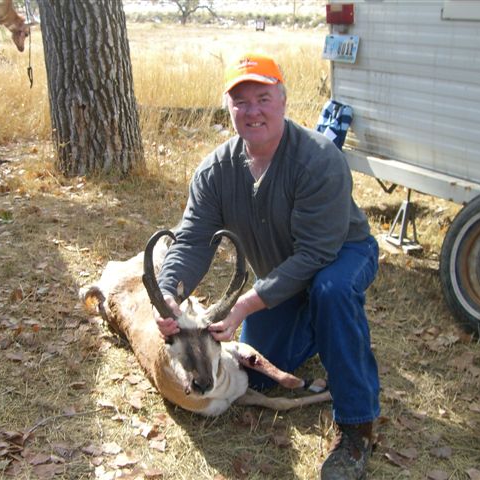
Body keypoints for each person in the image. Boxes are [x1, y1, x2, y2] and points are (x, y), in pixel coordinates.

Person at [153, 51, 380, 480]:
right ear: (229, 109)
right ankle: (326, 330)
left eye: (263, 98)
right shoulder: (215, 172)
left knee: (330, 291)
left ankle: (357, 428)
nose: (252, 111)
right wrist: (168, 295)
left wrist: (245, 305)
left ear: (283, 100)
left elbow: (316, 255)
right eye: (241, 102)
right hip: (280, 275)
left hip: (342, 256)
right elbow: (193, 240)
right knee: (258, 376)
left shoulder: (318, 159)